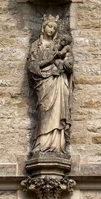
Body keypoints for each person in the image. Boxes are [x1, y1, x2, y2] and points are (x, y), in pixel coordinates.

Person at [27, 15, 73, 155]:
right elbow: (31, 65)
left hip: (58, 81)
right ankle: (42, 143)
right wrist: (49, 62)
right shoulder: (35, 46)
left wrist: (65, 65)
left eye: (54, 28)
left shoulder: (58, 47)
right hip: (43, 81)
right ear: (43, 27)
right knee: (44, 110)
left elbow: (69, 64)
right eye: (49, 26)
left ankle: (57, 144)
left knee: (58, 111)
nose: (51, 30)